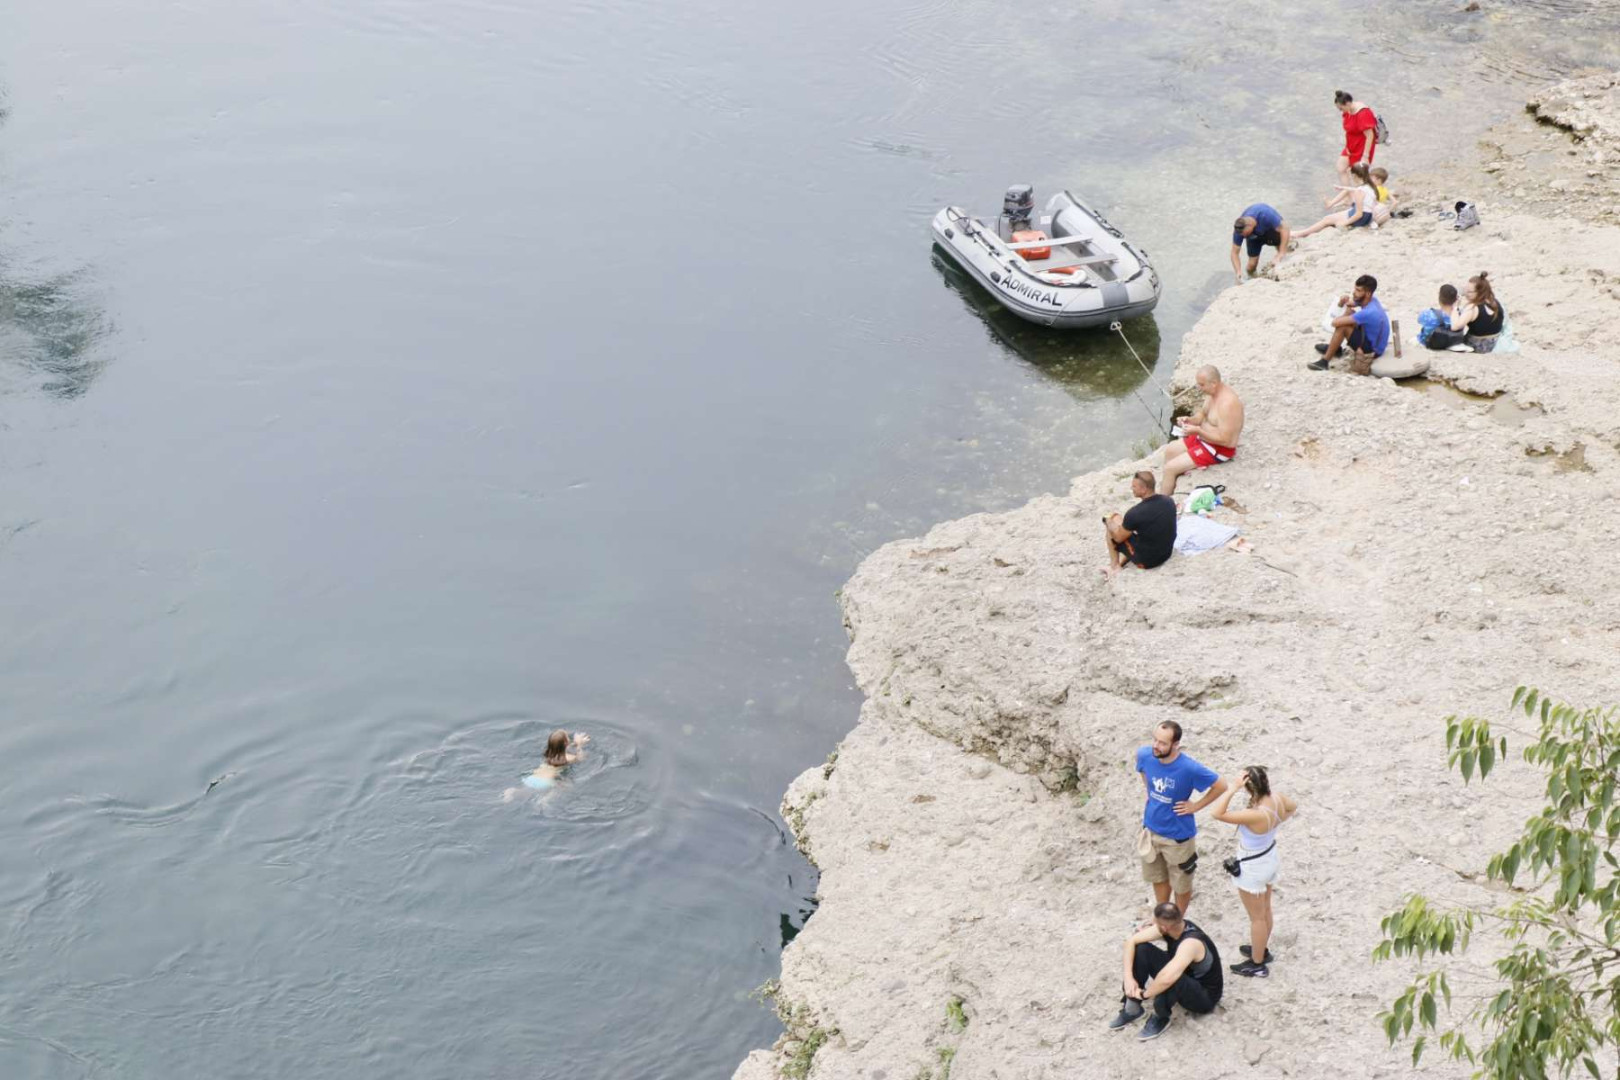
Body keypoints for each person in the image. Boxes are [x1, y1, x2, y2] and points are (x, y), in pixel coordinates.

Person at [1210, 766, 1298, 978]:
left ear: (1249, 788)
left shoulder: (1254, 815)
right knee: (1266, 909)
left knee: (1256, 918)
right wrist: (1279, 821)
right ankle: (1261, 949)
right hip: (1269, 858)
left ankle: (1257, 964)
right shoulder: (1276, 798)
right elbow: (1293, 807)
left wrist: (1232, 789)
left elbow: (1217, 813)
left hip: (1253, 867)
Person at [1134, 721, 1227, 914]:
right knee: (1158, 877)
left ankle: (1178, 919)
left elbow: (1221, 785)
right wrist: (1149, 792)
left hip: (1178, 837)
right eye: (1155, 740)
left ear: (1176, 744)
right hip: (1151, 831)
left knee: (1181, 884)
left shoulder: (1188, 768)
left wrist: (1196, 806)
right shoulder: (1145, 755)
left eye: (1162, 743)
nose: (1156, 746)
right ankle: (1162, 916)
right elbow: (1143, 770)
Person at [1108, 902, 1224, 1041]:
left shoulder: (1190, 943)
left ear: (1164, 927)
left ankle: (1161, 1017)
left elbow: (1168, 978)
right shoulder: (1174, 927)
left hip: (1204, 997)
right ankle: (1132, 1009)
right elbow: (1130, 942)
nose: (1152, 925)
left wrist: (1145, 995)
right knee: (1141, 949)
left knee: (1170, 978)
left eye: (1154, 923)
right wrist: (1128, 978)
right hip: (1183, 976)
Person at [1159, 365, 1244, 496]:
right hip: (1203, 438)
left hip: (1218, 449)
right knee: (1170, 450)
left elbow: (1227, 441)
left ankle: (1162, 504)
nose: (1199, 388)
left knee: (1170, 469)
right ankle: (1174, 481)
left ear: (1214, 383)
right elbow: (1202, 415)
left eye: (1202, 385)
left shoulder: (1228, 404)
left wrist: (1198, 432)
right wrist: (1190, 420)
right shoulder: (1211, 393)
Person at [1310, 273, 1389, 373]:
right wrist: (1342, 302)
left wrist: (1346, 313)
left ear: (1368, 293)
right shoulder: (1372, 300)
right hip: (1373, 339)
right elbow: (1352, 303)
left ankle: (1324, 361)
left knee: (1343, 327)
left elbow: (1335, 323)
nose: (1354, 292)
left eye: (1358, 290)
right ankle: (1335, 348)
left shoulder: (1369, 312)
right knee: (1350, 317)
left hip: (1373, 350)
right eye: (1355, 289)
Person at [1104, 470, 1176, 576]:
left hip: (1148, 561)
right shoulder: (1168, 501)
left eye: (1134, 486)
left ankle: (1114, 567)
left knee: (1111, 531)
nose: (1131, 489)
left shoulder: (1135, 513)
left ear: (1144, 489)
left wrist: (1107, 520)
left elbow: (1118, 538)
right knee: (1121, 521)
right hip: (1167, 553)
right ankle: (1123, 561)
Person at [1294, 164, 1379, 238]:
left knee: (1326, 219)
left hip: (1361, 218)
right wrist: (1343, 188)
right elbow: (1358, 192)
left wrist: (1345, 223)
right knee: (1333, 217)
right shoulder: (1370, 187)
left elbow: (1358, 214)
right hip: (1368, 216)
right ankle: (1305, 231)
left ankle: (1301, 234)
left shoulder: (1359, 191)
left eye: (1351, 175)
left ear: (1355, 176)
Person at [505, 730, 590, 800]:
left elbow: (561, 747)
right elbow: (582, 758)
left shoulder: (548, 755)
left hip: (531, 778)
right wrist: (580, 745)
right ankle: (546, 799)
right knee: (564, 787)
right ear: (566, 743)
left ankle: (512, 791)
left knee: (525, 790)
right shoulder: (569, 758)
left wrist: (573, 743)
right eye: (568, 737)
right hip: (547, 781)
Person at [1230, 204, 1291, 283]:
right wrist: (1238, 271)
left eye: (1245, 234)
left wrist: (1281, 252)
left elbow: (1285, 228)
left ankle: (1283, 253)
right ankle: (1253, 279)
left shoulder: (1265, 215)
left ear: (1249, 225)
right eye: (1242, 236)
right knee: (1251, 266)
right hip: (1254, 238)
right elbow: (1234, 253)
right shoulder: (1239, 231)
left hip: (1270, 230)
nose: (1243, 237)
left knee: (1281, 253)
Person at [1451, 271, 1506, 352]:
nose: (1466, 294)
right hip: (1495, 343)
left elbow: (1455, 327)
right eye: (1465, 290)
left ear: (1479, 292)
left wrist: (1455, 307)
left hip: (1477, 347)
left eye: (1469, 292)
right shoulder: (1494, 301)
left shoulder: (1472, 308)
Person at [1333, 90, 1379, 184]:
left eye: (1341, 108)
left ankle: (1365, 195)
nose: (1341, 111)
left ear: (1348, 103)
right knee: (1341, 168)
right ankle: (1348, 196)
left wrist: (1365, 155)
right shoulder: (1349, 110)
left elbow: (1370, 135)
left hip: (1361, 147)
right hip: (1351, 146)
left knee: (1358, 176)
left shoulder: (1363, 113)